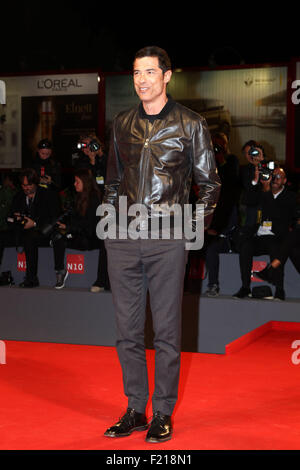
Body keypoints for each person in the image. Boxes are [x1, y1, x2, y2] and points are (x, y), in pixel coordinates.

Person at [102, 46, 221, 443]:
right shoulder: (121, 123)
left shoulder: (191, 124)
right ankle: (136, 408)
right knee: (127, 331)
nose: (142, 80)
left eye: (150, 72)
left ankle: (163, 411)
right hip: (123, 238)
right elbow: (113, 182)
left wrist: (190, 232)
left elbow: (210, 185)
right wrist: (109, 226)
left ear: (167, 76)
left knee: (167, 331)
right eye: (137, 73)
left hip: (168, 239)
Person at [233, 167, 297, 301]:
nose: (274, 179)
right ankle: (245, 287)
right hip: (261, 235)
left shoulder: (290, 196)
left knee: (275, 248)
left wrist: (267, 191)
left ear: (284, 181)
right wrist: (255, 182)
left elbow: (278, 215)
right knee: (246, 246)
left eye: (279, 176)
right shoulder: (263, 192)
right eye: (273, 176)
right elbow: (248, 200)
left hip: (277, 236)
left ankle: (279, 290)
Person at [0, 168, 61, 287]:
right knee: (1, 236)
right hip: (21, 231)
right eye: (23, 185)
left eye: (29, 185)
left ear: (36, 183)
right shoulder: (19, 196)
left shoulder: (47, 195)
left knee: (30, 238)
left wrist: (34, 223)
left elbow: (53, 218)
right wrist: (16, 220)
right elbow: (9, 218)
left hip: (42, 232)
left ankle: (31, 278)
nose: (26, 188)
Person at [52, 168, 110, 291]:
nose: (74, 184)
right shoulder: (78, 198)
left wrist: (69, 228)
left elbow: (88, 224)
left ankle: (101, 282)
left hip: (91, 238)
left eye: (77, 181)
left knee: (62, 236)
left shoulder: (94, 199)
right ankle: (60, 271)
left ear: (85, 182)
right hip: (79, 234)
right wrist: (66, 226)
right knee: (57, 237)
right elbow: (76, 220)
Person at [204, 132, 240, 296]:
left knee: (211, 246)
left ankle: (213, 285)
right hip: (207, 221)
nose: (218, 147)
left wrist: (217, 230)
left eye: (222, 144)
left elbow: (230, 186)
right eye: (215, 144)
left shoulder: (231, 161)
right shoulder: (207, 164)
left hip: (225, 232)